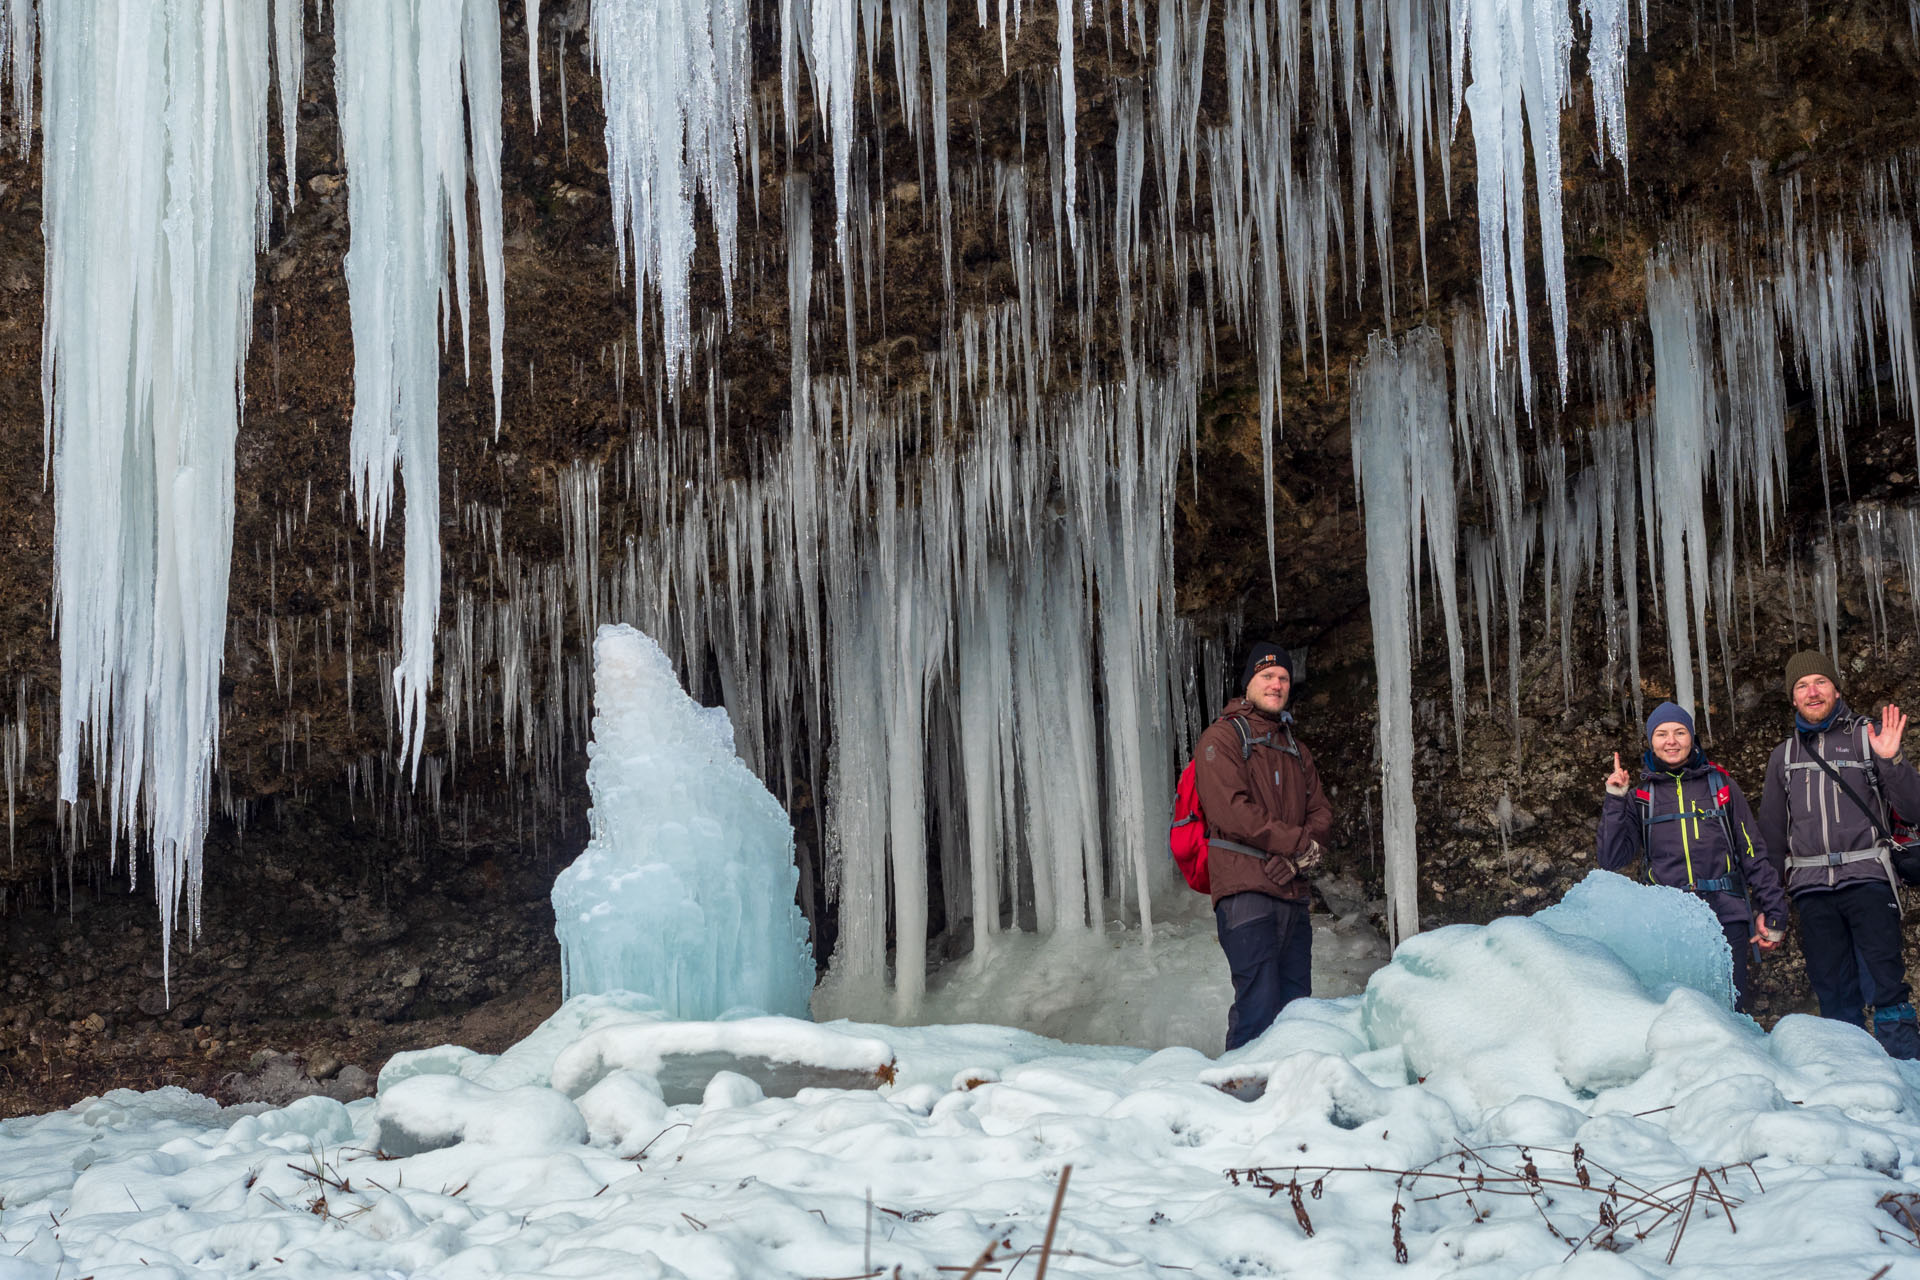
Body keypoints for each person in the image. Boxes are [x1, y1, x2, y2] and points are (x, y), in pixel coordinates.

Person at [1759, 651, 1920, 1059]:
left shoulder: (1869, 738)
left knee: (1885, 981)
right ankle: (1849, 1077)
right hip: (1811, 888)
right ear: (1792, 699)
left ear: (1836, 688)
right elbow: (1773, 835)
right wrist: (1770, 905)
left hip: (1868, 876)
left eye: (1820, 682)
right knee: (1831, 986)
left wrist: (1892, 760)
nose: (1812, 692)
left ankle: (1906, 1072)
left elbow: (1914, 810)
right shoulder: (1784, 756)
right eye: (1801, 685)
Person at [1598, 701, 1788, 1012]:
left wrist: (1774, 911)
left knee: (1731, 1011)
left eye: (1679, 732)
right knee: (1677, 1012)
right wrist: (1616, 799)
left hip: (1726, 916)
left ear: (1692, 737)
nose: (1671, 741)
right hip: (1668, 923)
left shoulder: (1720, 786)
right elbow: (1611, 858)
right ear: (1651, 741)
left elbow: (1752, 851)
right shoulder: (1642, 797)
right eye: (1661, 734)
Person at [1192, 640, 1333, 1051]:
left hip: (1291, 894)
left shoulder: (1296, 749)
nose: (1276, 684)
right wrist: (1296, 845)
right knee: (1258, 1007)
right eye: (1267, 676)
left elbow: (1322, 814)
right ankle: (1240, 1103)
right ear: (1249, 682)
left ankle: (1286, 1105)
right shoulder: (1222, 738)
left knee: (1295, 1011)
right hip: (1246, 894)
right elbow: (1231, 812)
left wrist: (1294, 862)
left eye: (1283, 678)